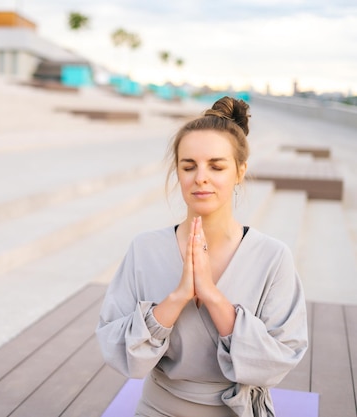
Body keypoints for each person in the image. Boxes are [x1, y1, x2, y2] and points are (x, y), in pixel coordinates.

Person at [95, 96, 308, 417]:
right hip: (157, 408)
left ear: (240, 171)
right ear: (177, 172)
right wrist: (178, 297)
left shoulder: (273, 256)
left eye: (217, 166)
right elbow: (119, 349)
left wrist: (211, 295)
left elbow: (280, 358)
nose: (201, 177)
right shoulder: (144, 249)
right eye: (188, 166)